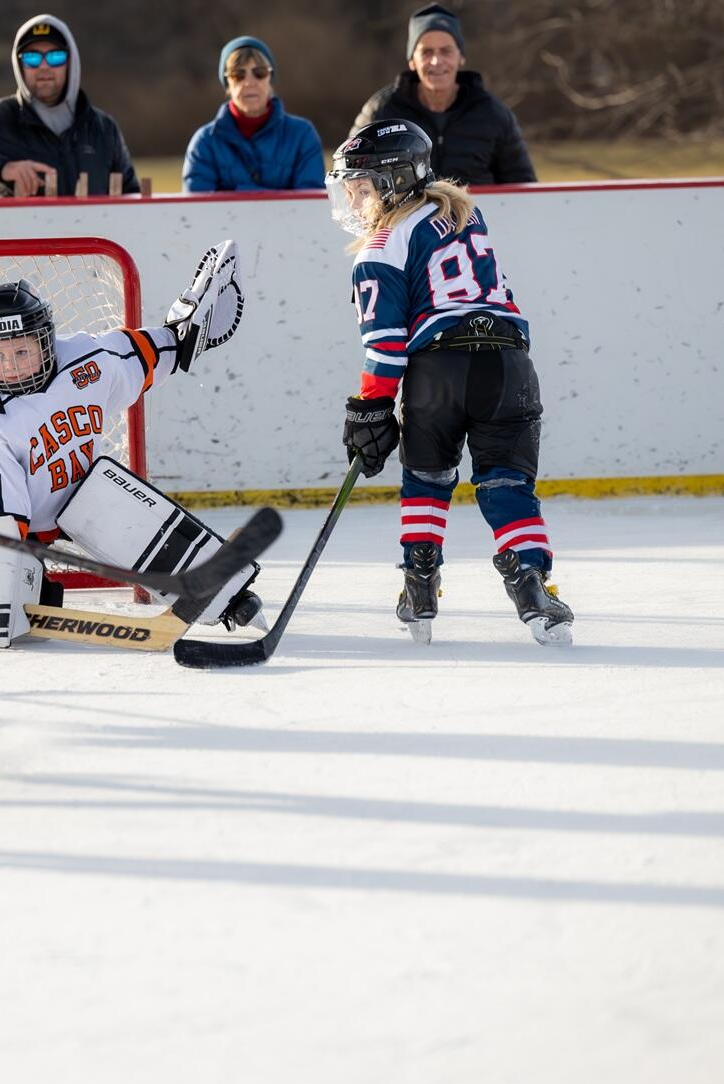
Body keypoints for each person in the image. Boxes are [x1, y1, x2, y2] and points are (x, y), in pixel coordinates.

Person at [0, 243, 259, 651]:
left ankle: (229, 601)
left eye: (22, 351)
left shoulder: (87, 360)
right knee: (8, 618)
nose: (10, 366)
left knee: (121, 503)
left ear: (46, 342)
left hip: (84, 500)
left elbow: (149, 355)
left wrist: (184, 332)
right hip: (19, 526)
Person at [327, 120, 572, 646]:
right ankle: (533, 586)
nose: (355, 201)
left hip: (438, 372)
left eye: (363, 188)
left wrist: (370, 408)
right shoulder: (463, 213)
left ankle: (419, 586)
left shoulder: (379, 248)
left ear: (395, 181)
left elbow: (386, 346)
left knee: (426, 478)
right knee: (508, 484)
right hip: (508, 365)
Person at [0, 15, 138, 198]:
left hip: (92, 240)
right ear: (19, 64)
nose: (44, 67)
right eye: (32, 58)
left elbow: (131, 199)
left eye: (55, 57)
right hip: (22, 239)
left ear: (71, 62)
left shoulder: (103, 128)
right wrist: (2, 167)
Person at [349, 4, 535, 187]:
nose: (436, 61)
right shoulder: (381, 111)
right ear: (412, 61)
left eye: (446, 51)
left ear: (461, 57)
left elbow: (525, 189)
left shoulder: (494, 114)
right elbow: (349, 175)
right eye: (426, 52)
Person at [182, 35, 325, 193]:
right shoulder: (204, 143)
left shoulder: (302, 135)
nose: (249, 82)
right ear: (227, 82)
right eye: (238, 75)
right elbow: (197, 205)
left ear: (270, 78)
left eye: (260, 72)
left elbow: (310, 201)